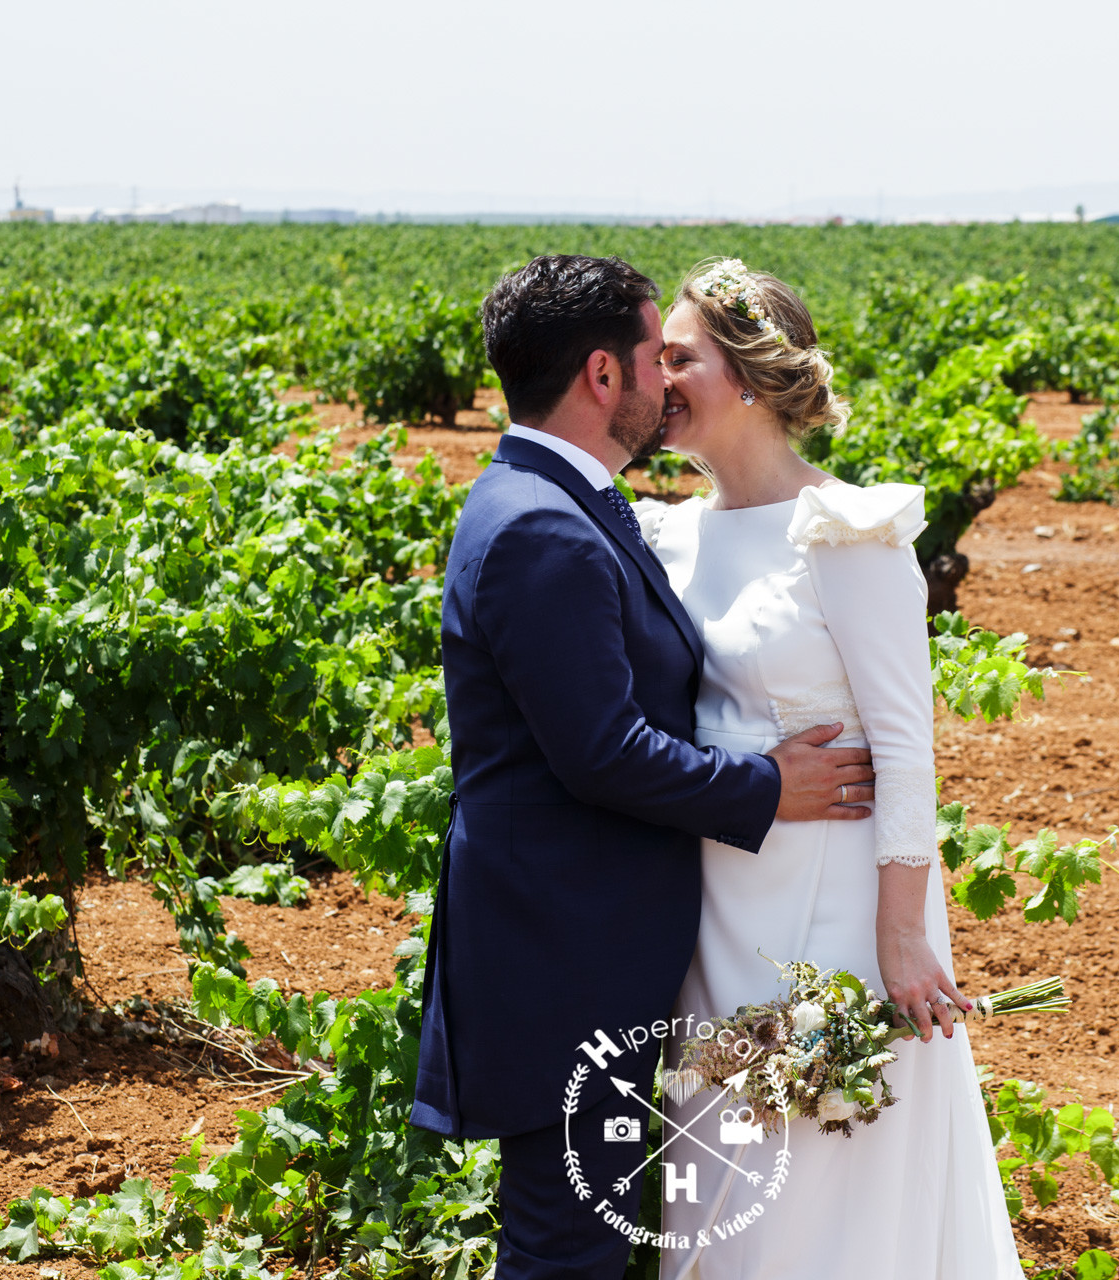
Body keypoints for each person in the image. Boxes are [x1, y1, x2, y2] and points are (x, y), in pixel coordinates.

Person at [411, 254, 876, 1280]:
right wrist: (769, 784)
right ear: (602, 376)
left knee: (576, 1239)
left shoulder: (556, 498)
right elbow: (603, 752)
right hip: (562, 958)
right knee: (564, 1252)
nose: (668, 380)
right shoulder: (543, 526)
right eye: (652, 356)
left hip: (570, 945)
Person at [641, 259, 1026, 1279]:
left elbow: (905, 745)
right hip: (714, 908)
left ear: (753, 378)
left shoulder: (847, 534)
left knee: (823, 1184)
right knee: (720, 1182)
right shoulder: (664, 534)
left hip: (838, 916)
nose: (658, 377)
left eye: (681, 357)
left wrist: (900, 934)